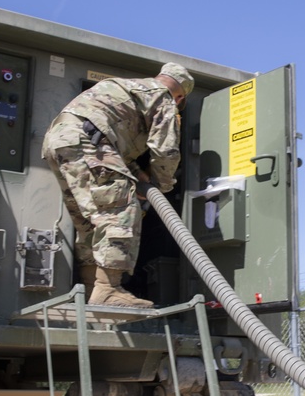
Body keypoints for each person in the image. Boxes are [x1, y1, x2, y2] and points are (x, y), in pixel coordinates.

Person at [42, 63, 194, 307]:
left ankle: (94, 290)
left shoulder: (126, 86)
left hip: (59, 142)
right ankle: (108, 290)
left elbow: (108, 142)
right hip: (87, 142)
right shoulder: (162, 96)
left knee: (92, 219)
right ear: (179, 96)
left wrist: (136, 173)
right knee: (122, 209)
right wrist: (160, 186)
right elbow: (165, 150)